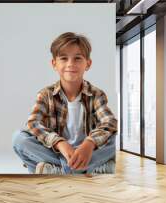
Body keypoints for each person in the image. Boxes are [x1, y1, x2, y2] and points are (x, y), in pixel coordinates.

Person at [12, 32, 118, 175]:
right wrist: (59, 143)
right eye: (63, 58)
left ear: (88, 64)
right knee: (19, 138)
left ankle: (58, 170)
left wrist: (89, 143)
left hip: (88, 152)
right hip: (56, 151)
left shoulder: (96, 94)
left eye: (77, 58)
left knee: (116, 138)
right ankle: (87, 169)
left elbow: (109, 122)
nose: (70, 64)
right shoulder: (46, 94)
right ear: (54, 64)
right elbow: (33, 124)